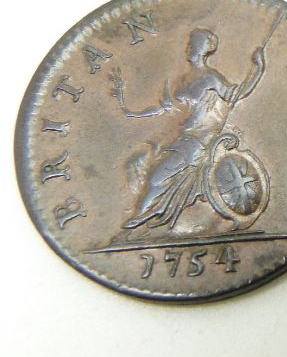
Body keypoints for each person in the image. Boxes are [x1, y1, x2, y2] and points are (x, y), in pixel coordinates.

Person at [110, 28, 266, 230]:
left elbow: (237, 93)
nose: (188, 48)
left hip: (200, 138)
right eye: (189, 45)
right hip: (182, 136)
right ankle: (143, 216)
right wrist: (130, 111)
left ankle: (141, 217)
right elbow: (165, 108)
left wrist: (258, 68)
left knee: (157, 176)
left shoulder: (211, 78)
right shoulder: (182, 80)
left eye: (193, 44)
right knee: (146, 168)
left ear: (204, 49)